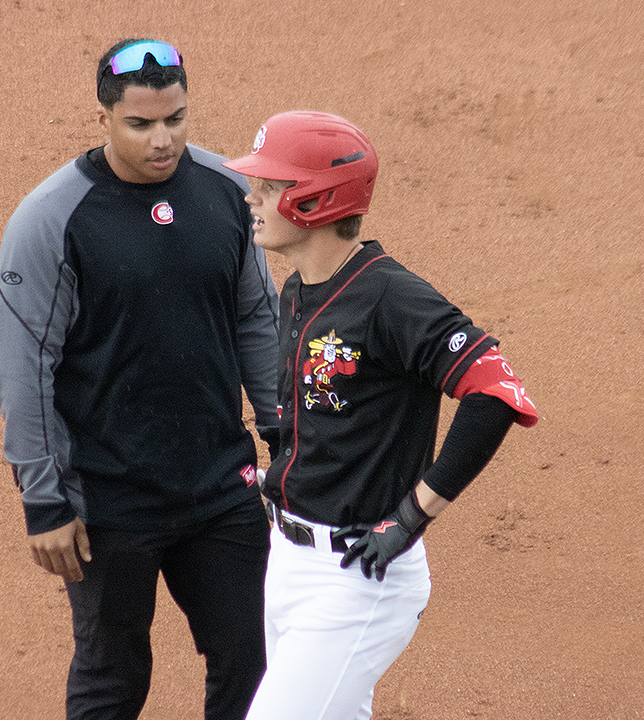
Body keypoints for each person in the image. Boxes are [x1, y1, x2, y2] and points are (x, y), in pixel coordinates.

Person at [0, 39, 280, 720]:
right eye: (141, 124)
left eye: (175, 119)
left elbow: (256, 321)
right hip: (108, 500)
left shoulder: (226, 190)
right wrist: (43, 500)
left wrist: (282, 433)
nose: (163, 140)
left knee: (253, 656)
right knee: (115, 675)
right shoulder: (51, 218)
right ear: (103, 119)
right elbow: (24, 368)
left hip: (220, 487)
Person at [221, 111, 539, 720]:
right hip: (288, 563)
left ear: (315, 199)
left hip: (357, 575)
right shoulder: (296, 289)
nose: (251, 196)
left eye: (270, 185)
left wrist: (411, 516)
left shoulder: (391, 296)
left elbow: (495, 393)